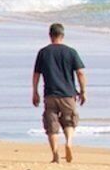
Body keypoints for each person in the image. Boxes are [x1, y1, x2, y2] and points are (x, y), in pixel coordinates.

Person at [30, 22, 87, 162]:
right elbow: (80, 73)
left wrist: (35, 92)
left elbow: (36, 74)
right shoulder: (71, 52)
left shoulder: (43, 52)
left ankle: (55, 155)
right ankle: (68, 142)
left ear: (50, 36)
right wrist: (83, 91)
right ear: (62, 35)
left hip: (50, 94)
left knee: (51, 126)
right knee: (69, 122)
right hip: (68, 94)